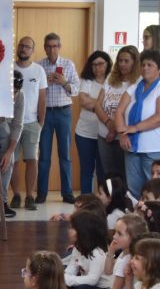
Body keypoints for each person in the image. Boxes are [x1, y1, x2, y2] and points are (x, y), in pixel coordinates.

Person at [37, 33, 81, 204]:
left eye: (55, 46)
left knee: (65, 155)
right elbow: (34, 91)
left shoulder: (68, 64)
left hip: (63, 112)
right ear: (44, 47)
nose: (52, 49)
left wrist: (64, 82)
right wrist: (45, 82)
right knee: (44, 156)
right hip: (45, 113)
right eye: (48, 46)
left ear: (59, 47)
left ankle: (67, 193)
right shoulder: (39, 66)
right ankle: (41, 193)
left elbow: (76, 89)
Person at [116, 50, 160, 200]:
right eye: (143, 65)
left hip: (153, 148)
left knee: (154, 190)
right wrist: (123, 134)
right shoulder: (136, 86)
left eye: (150, 65)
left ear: (159, 69)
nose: (145, 68)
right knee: (134, 190)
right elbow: (119, 111)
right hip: (131, 146)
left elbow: (158, 118)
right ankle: (137, 222)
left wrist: (134, 128)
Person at [13, 36, 49, 211]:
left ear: (32, 50)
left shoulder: (39, 71)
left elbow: (42, 98)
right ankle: (16, 195)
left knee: (31, 160)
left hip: (32, 123)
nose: (24, 49)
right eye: (21, 45)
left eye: (27, 46)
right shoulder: (9, 68)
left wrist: (41, 122)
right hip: (11, 123)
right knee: (12, 161)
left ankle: (29, 196)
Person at [97, 47, 140, 184]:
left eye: (126, 61)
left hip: (123, 136)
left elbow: (125, 110)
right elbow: (97, 104)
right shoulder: (111, 77)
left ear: (134, 62)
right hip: (104, 135)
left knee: (124, 175)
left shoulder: (137, 82)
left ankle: (123, 204)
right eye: (120, 60)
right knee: (108, 175)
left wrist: (114, 129)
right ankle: (111, 203)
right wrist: (108, 123)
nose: (122, 64)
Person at [0, 71, 26, 218]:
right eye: (11, 91)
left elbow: (18, 124)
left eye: (16, 91)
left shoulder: (20, 96)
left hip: (4, 129)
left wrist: (10, 151)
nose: (13, 95)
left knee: (8, 160)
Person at [78, 51, 113, 194]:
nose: (97, 67)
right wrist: (102, 107)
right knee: (87, 170)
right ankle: (85, 201)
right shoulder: (86, 80)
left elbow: (90, 102)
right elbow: (83, 101)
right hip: (84, 133)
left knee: (102, 171)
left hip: (104, 134)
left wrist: (94, 105)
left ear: (107, 64)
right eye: (93, 65)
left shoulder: (112, 82)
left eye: (100, 64)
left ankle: (103, 202)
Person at [95, 213, 148, 289]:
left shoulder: (127, 261)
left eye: (119, 233)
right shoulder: (124, 253)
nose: (114, 236)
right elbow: (108, 271)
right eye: (115, 231)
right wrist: (111, 251)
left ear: (133, 238)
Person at [64, 211, 112, 289]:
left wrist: (68, 280)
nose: (68, 230)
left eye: (72, 228)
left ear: (82, 231)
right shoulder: (78, 247)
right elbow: (72, 268)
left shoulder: (97, 253)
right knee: (62, 286)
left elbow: (92, 280)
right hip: (89, 284)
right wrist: (63, 277)